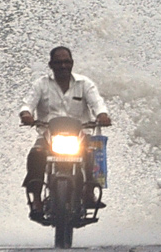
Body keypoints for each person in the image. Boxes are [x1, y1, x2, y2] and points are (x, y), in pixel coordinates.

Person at [19, 46, 111, 220]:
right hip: (48, 136)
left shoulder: (84, 84)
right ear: (51, 64)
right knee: (35, 155)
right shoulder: (41, 84)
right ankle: (37, 200)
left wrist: (102, 115)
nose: (63, 66)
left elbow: (98, 103)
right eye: (59, 62)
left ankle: (89, 192)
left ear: (72, 63)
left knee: (91, 152)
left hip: (81, 135)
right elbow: (27, 103)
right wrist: (26, 114)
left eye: (66, 62)